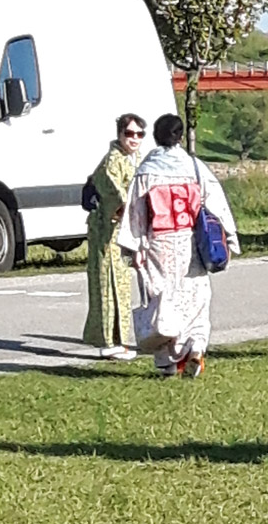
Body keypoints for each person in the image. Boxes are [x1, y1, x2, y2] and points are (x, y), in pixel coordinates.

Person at [118, 113, 240, 378]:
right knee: (196, 297)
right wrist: (228, 237)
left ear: (154, 137)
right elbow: (215, 205)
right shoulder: (194, 167)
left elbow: (137, 212)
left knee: (161, 300)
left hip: (158, 243)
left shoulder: (147, 171)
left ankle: (168, 362)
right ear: (181, 137)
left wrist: (134, 246)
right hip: (189, 241)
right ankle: (196, 347)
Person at [82, 112, 145, 358]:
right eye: (129, 134)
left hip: (123, 231)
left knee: (122, 285)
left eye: (139, 134)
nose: (134, 139)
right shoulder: (113, 160)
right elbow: (115, 195)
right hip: (107, 231)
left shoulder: (134, 159)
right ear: (119, 134)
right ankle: (109, 342)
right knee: (107, 284)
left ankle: (120, 340)